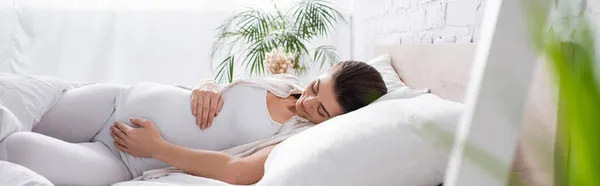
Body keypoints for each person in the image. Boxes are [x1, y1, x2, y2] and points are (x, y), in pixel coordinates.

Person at [3, 61, 388, 185]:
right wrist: (207, 85)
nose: (306, 101)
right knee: (13, 117)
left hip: (124, 157)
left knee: (16, 148)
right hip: (117, 99)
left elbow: (237, 171)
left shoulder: (296, 139)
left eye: (320, 109)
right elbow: (220, 93)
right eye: (315, 87)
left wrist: (156, 149)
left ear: (338, 120)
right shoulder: (286, 84)